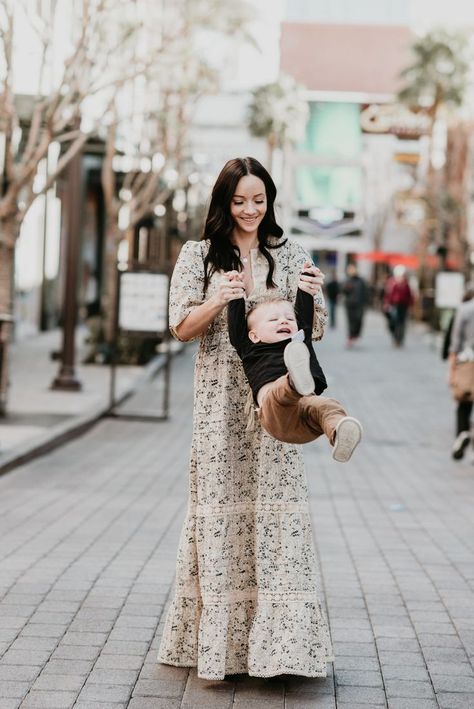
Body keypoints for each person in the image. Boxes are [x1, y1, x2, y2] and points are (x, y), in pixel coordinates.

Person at [158, 157, 334, 680]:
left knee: (278, 511)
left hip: (277, 391)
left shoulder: (292, 251)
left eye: (259, 200)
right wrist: (217, 301)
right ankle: (222, 649)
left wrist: (314, 295)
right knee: (220, 510)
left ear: (270, 200)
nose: (250, 210)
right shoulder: (198, 255)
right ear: (223, 203)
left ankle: (282, 652)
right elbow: (181, 328)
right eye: (240, 201)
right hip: (220, 402)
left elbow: (314, 329)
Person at [227, 281, 362, 462]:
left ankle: (339, 432)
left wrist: (305, 288)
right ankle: (293, 382)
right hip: (275, 415)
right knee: (279, 393)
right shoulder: (248, 347)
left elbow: (304, 317)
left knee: (328, 406)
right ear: (254, 335)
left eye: (289, 319)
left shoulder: (299, 340)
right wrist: (236, 293)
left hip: (305, 418)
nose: (284, 321)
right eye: (273, 319)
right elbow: (236, 325)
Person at [446, 286, 474, 460]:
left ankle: (462, 433)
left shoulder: (464, 310)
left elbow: (455, 343)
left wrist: (451, 371)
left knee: (463, 402)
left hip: (467, 362)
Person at [383, 264, 413, 346]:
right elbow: (387, 294)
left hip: (403, 306)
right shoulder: (391, 283)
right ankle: (395, 336)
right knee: (393, 322)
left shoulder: (406, 285)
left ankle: (399, 339)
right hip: (393, 305)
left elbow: (409, 296)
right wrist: (386, 303)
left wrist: (410, 306)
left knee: (401, 323)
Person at [341, 263, 367, 347]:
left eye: (352, 269)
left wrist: (366, 302)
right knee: (350, 321)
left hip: (359, 304)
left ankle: (356, 334)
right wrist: (346, 288)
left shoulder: (361, 280)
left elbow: (366, 291)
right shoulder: (347, 280)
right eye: (350, 270)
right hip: (349, 304)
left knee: (359, 319)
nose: (351, 271)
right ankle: (350, 336)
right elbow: (343, 291)